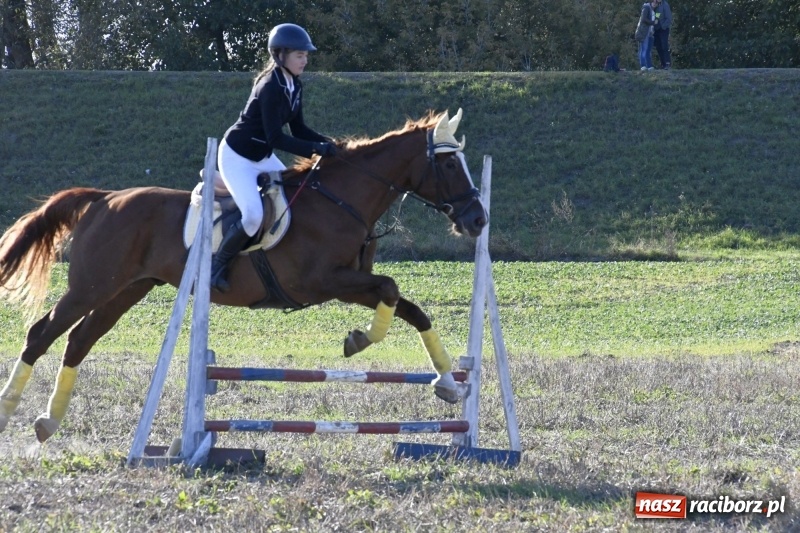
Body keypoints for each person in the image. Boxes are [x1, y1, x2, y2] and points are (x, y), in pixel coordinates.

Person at [212, 23, 337, 292]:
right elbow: (276, 139)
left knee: (294, 198)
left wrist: (332, 144)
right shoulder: (269, 86)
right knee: (254, 217)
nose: (305, 60)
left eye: (306, 55)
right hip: (238, 157)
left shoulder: (295, 85)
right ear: (280, 55)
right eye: (300, 55)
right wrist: (316, 150)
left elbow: (299, 130)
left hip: (262, 156)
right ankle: (218, 266)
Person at [635, 0, 658, 71]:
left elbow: (657, 20)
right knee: (643, 49)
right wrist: (653, 22)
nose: (655, 4)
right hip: (644, 32)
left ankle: (649, 65)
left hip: (651, 33)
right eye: (653, 2)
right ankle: (643, 65)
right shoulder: (646, 7)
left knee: (648, 50)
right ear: (651, 2)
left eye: (656, 3)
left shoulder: (655, 11)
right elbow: (643, 19)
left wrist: (655, 21)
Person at [653, 0, 673, 69]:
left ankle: (667, 63)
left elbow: (669, 18)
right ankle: (662, 63)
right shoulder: (655, 4)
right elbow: (657, 16)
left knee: (664, 46)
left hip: (663, 29)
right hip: (656, 29)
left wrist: (663, 26)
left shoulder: (665, 5)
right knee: (658, 47)